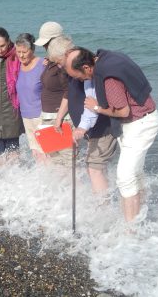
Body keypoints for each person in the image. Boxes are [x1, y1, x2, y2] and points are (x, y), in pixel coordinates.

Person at [65, 46, 158, 222]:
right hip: (142, 120)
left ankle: (130, 232)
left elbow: (123, 112)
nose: (79, 80)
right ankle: (140, 220)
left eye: (78, 77)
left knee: (124, 178)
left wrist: (96, 107)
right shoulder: (108, 57)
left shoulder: (108, 78)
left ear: (86, 67)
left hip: (139, 125)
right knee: (135, 174)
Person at [47, 36, 117, 196]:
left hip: (101, 127)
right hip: (90, 128)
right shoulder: (72, 72)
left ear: (67, 55)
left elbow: (93, 102)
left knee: (94, 169)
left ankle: (103, 209)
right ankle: (104, 202)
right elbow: (68, 95)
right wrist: (59, 118)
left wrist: (81, 128)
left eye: (59, 62)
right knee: (94, 168)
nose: (59, 66)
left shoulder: (84, 72)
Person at [34, 22, 72, 165]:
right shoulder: (51, 61)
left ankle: (83, 188)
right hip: (49, 118)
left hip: (62, 121)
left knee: (67, 163)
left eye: (46, 44)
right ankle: (61, 188)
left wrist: (59, 119)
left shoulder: (62, 65)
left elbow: (69, 91)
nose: (44, 48)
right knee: (55, 162)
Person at [0, 27, 24, 165]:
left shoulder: (18, 57)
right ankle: (1, 186)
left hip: (12, 114)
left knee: (14, 157)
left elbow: (32, 63)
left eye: (2, 45)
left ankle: (15, 184)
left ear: (8, 41)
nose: (0, 49)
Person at [15, 33, 46, 162]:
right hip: (26, 116)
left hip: (41, 116)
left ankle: (54, 180)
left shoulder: (43, 64)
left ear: (32, 50)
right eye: (18, 52)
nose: (21, 55)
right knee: (35, 152)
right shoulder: (16, 66)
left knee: (46, 151)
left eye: (24, 52)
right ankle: (41, 180)